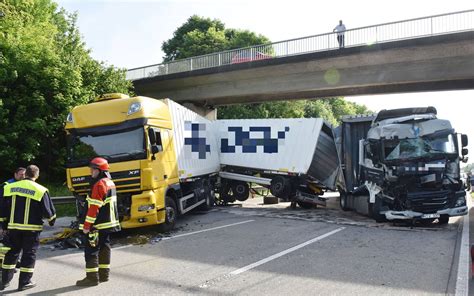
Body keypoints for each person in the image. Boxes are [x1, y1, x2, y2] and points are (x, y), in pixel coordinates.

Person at [0, 165, 56, 291]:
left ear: (25, 174)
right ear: (37, 175)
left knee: (11, 253)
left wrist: (3, 225)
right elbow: (49, 212)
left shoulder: (9, 188)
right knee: (28, 254)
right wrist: (52, 221)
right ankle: (24, 282)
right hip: (31, 229)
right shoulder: (41, 190)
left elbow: (2, 209)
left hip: (13, 227)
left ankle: (4, 282)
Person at [76, 157, 120, 287]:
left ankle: (92, 278)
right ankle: (104, 275)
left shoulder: (99, 184)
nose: (91, 172)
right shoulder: (110, 182)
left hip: (97, 224)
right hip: (108, 223)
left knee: (91, 250)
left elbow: (94, 208)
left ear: (100, 170)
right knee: (105, 247)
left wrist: (87, 226)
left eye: (93, 169)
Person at [0, 167, 26, 269]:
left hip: (15, 219)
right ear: (15, 174)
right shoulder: (7, 185)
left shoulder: (24, 185)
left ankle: (14, 262)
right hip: (5, 218)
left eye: (24, 175)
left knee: (15, 242)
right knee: (5, 243)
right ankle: (4, 265)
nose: (23, 177)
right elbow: (2, 204)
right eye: (21, 174)